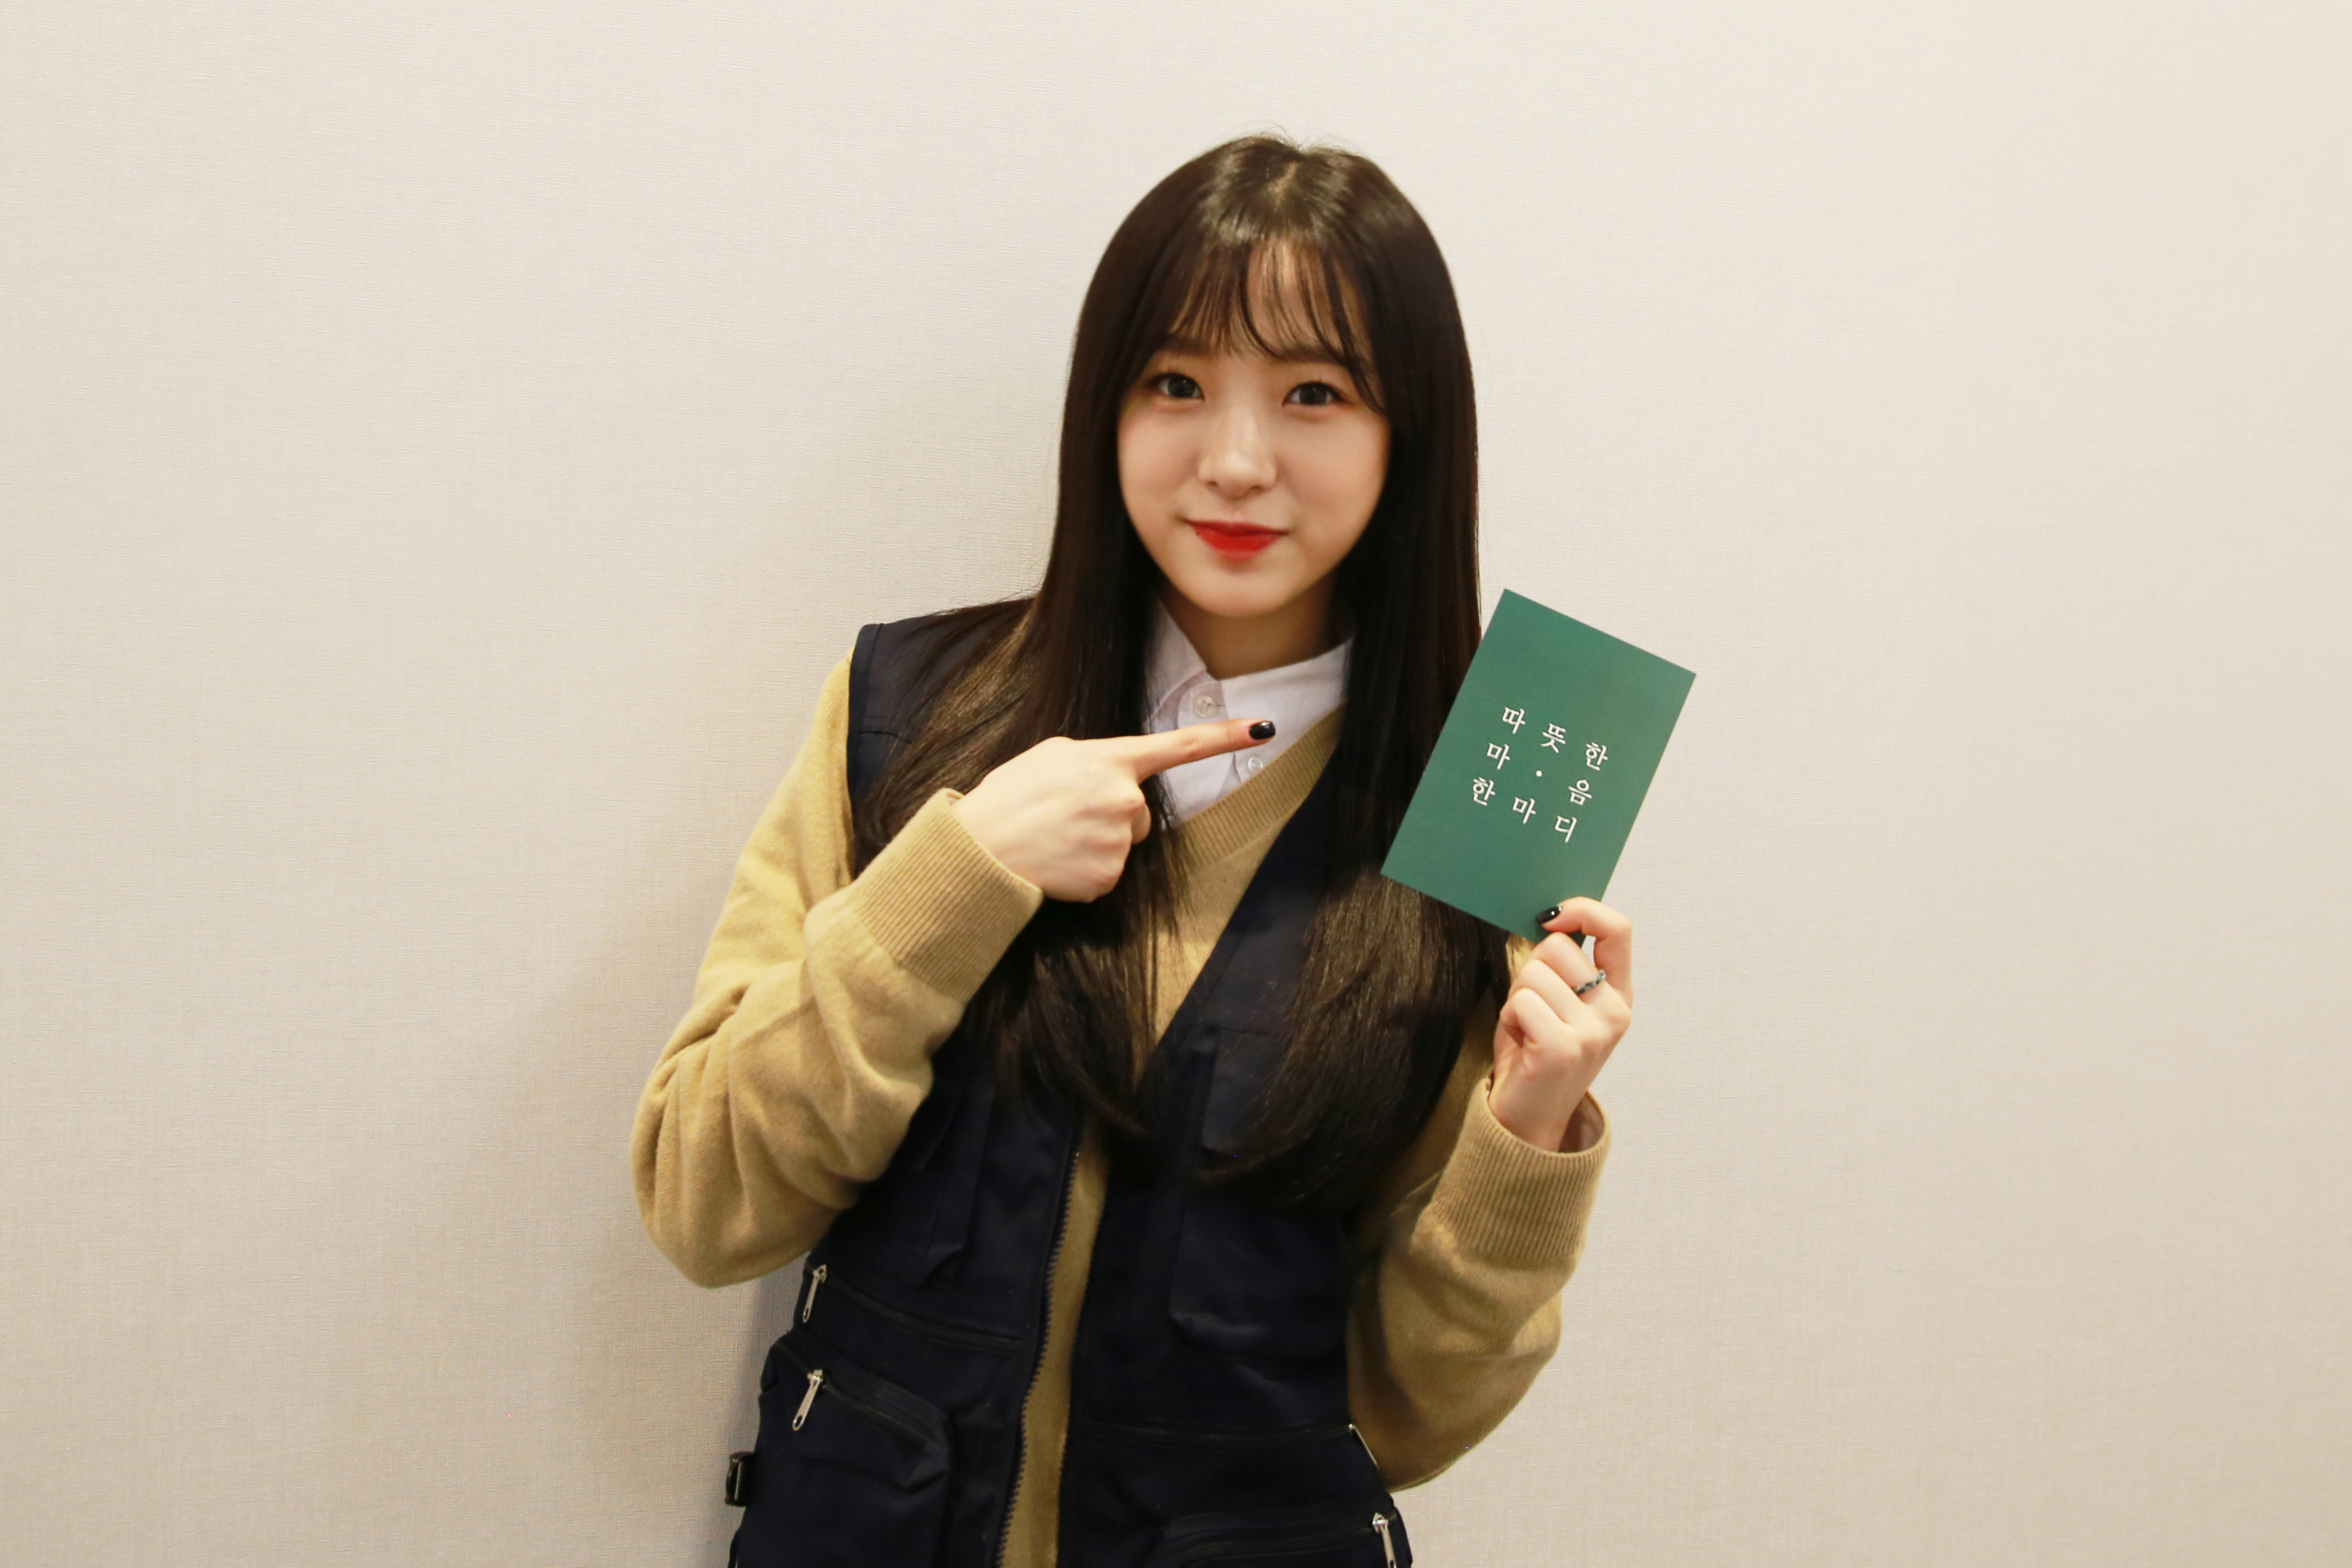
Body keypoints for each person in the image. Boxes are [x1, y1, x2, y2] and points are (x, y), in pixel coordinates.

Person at [632, 132, 1634, 1568]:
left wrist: (1525, 1134)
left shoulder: (1473, 824)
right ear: (1102, 408)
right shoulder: (906, 712)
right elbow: (706, 1198)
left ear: (1406, 432)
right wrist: (955, 877)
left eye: (1313, 393)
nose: (1234, 460)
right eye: (1175, 384)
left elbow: (1400, 1417)